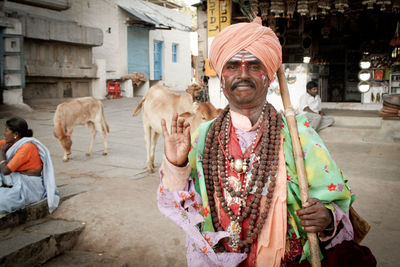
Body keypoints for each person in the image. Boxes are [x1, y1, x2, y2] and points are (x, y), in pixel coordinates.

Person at [157, 18, 375, 266]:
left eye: (253, 65)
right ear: (222, 76)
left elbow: (337, 204)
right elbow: (182, 206)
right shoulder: (204, 135)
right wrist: (176, 164)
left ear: (269, 76)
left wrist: (326, 218)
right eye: (232, 66)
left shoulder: (297, 134)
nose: (242, 74)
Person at [0, 117, 59, 214]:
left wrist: (2, 152)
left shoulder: (26, 147)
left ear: (15, 134)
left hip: (29, 188)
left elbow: (6, 171)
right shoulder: (12, 142)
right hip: (18, 181)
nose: (4, 133)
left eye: (6, 131)